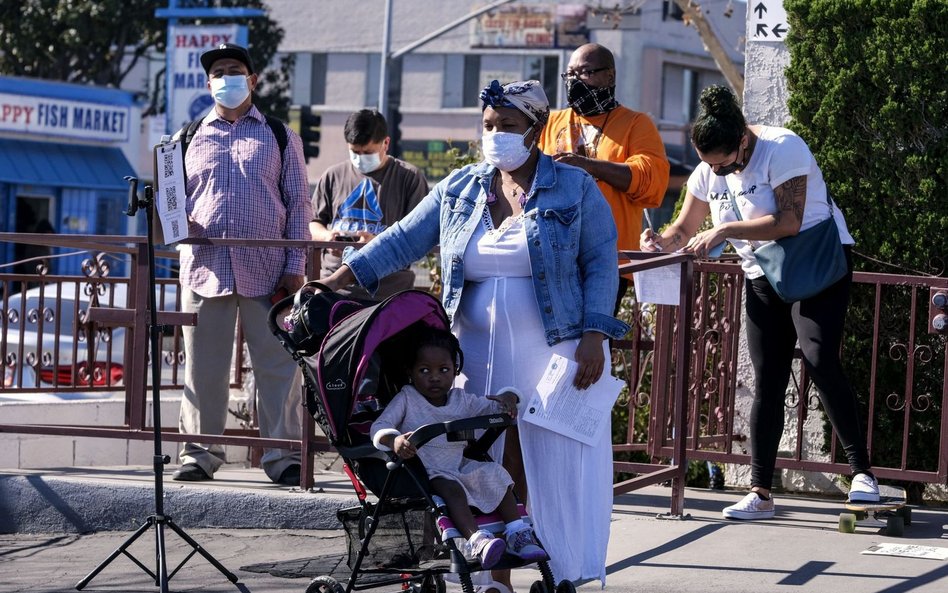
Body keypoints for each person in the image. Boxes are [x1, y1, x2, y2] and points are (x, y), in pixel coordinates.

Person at [322, 79, 628, 591]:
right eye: (488, 126)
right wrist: (339, 279)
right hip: (474, 351)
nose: (495, 136)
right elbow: (402, 240)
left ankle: (562, 569)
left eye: (507, 126)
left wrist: (596, 334)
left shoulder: (574, 187)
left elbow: (601, 262)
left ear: (535, 130)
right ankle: (494, 578)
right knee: (483, 456)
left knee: (545, 461)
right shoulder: (461, 188)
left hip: (553, 348)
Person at [640, 85, 880, 520]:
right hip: (761, 273)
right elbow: (684, 227)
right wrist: (659, 241)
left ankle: (862, 474)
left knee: (819, 357)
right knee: (768, 377)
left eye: (724, 162)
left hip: (814, 264)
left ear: (743, 141)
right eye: (709, 163)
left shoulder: (782, 147)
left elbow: (789, 222)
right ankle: (761, 492)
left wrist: (726, 232)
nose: (718, 170)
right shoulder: (708, 171)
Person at [172, 43, 313, 486]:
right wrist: (179, 222)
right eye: (219, 71)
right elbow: (171, 205)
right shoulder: (186, 136)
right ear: (208, 82)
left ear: (252, 80)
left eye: (235, 70)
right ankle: (199, 453)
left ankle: (284, 456)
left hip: (268, 269)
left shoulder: (278, 134)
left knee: (277, 368)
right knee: (202, 366)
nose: (226, 77)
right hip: (204, 267)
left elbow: (299, 205)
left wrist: (295, 264)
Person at [370, 327, 546, 569]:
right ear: (410, 372)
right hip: (427, 471)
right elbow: (380, 425)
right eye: (424, 371)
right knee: (452, 489)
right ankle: (477, 540)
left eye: (444, 370)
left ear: (455, 370)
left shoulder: (460, 399)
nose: (435, 377)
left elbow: (491, 406)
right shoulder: (407, 398)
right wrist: (395, 440)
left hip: (458, 465)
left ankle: (518, 533)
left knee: (497, 474)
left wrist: (509, 398)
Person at [538, 42, 670, 307]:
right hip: (554, 257)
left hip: (609, 261)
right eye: (570, 74)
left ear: (609, 76)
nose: (575, 81)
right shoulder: (550, 122)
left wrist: (591, 166)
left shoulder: (636, 124)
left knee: (593, 341)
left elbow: (650, 180)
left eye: (585, 72)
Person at [309, 109, 428, 301]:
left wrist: (377, 243)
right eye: (355, 152)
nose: (360, 158)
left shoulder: (409, 177)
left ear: (386, 143)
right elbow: (313, 222)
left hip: (387, 292)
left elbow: (418, 235)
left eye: (368, 152)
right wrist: (327, 237)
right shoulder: (332, 175)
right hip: (334, 288)